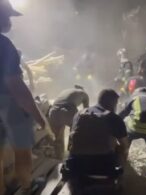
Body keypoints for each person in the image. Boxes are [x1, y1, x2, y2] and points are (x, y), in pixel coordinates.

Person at [0, 1, 46, 194]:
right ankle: (28, 185)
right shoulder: (4, 45)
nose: (9, 21)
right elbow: (17, 87)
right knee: (22, 149)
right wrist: (38, 116)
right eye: (7, 16)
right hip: (7, 104)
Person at [64, 89, 128, 194]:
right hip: (104, 166)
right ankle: (119, 179)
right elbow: (125, 145)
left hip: (76, 165)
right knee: (121, 147)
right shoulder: (114, 118)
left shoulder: (79, 114)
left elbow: (71, 141)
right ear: (113, 103)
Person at [48, 85, 89, 160]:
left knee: (58, 139)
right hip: (67, 110)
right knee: (75, 134)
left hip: (53, 112)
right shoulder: (84, 94)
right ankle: (71, 157)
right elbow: (87, 112)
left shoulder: (66, 91)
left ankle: (59, 159)